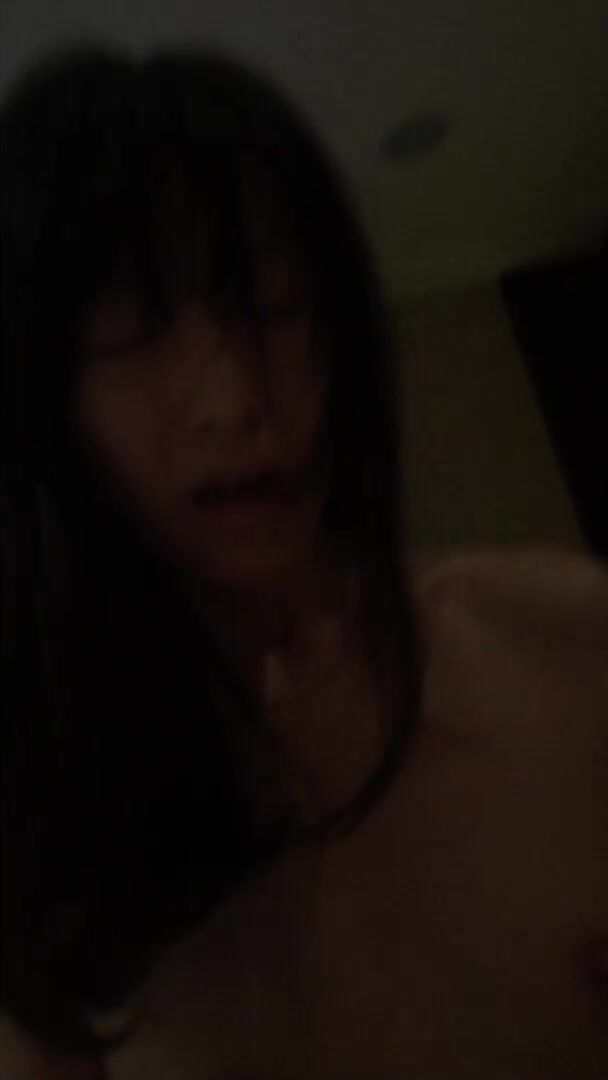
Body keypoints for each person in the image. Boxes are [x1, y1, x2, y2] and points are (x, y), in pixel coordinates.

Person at [0, 40, 606, 1080]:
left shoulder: (558, 640)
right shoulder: (42, 829)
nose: (234, 398)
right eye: (135, 330)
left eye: (274, 304)